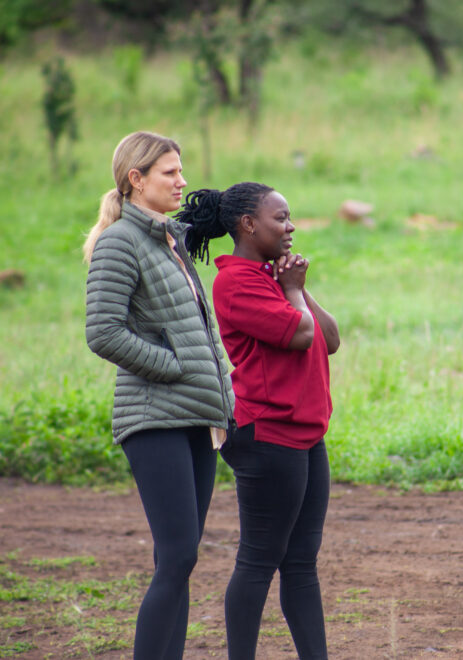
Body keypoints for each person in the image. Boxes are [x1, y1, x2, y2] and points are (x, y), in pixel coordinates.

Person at [83, 131, 235, 660]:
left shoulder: (168, 239)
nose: (182, 181)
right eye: (170, 172)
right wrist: (174, 366)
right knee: (175, 558)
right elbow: (102, 331)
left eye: (180, 170)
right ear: (136, 179)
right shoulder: (121, 240)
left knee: (183, 558)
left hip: (193, 415)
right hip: (154, 418)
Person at [177, 182, 340, 660]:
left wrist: (299, 289)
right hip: (267, 435)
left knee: (301, 564)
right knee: (257, 561)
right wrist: (291, 289)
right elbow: (299, 335)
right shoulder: (236, 283)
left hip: (306, 434)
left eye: (289, 219)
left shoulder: (275, 278)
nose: (290, 228)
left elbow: (329, 339)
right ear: (248, 225)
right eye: (281, 218)